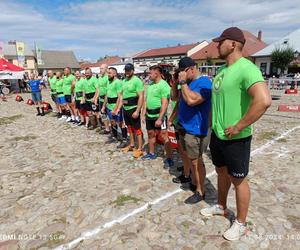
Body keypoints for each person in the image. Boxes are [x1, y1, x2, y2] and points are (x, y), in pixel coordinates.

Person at [200, 27, 272, 241]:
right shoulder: (222, 71)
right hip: (218, 136)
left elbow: (264, 100)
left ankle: (240, 223)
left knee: (239, 180)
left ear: (232, 44)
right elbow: (217, 102)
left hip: (236, 138)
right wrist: (212, 125)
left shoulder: (246, 68)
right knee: (221, 173)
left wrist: (239, 126)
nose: (217, 45)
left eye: (220, 42)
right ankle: (221, 207)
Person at [175, 57, 212, 204]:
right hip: (184, 126)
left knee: (197, 161)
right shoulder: (187, 83)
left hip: (196, 129)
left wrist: (183, 83)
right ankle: (194, 181)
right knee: (189, 157)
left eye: (183, 72)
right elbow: (174, 97)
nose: (182, 75)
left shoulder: (204, 83)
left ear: (192, 68)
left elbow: (192, 101)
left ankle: (200, 191)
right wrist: (176, 83)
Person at [141, 65, 173, 167]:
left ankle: (169, 158)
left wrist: (160, 118)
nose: (149, 75)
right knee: (150, 133)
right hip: (149, 115)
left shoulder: (164, 85)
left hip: (159, 116)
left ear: (157, 73)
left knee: (164, 135)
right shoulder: (150, 85)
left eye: (150, 73)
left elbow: (165, 103)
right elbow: (146, 100)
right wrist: (143, 113)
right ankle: (151, 153)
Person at [120, 63, 145, 158]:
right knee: (129, 128)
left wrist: (138, 110)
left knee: (137, 129)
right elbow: (122, 95)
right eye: (125, 70)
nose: (126, 72)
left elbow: (141, 96)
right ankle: (132, 145)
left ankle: (139, 148)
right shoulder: (124, 80)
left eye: (128, 70)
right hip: (125, 108)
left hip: (133, 108)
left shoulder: (137, 81)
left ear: (132, 71)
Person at [102, 67, 128, 147]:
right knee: (112, 122)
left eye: (110, 73)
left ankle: (124, 139)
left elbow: (120, 97)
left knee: (121, 123)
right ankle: (115, 136)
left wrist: (116, 108)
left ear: (114, 73)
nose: (108, 75)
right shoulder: (109, 82)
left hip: (116, 106)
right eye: (108, 73)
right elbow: (107, 95)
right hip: (109, 106)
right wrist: (103, 106)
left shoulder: (118, 82)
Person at [97, 64, 110, 134]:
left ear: (106, 69)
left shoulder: (108, 77)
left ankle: (116, 131)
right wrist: (96, 98)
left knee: (111, 116)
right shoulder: (100, 78)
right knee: (103, 114)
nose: (100, 70)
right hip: (101, 99)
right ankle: (107, 128)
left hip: (107, 99)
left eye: (102, 68)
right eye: (100, 68)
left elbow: (108, 91)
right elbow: (98, 89)